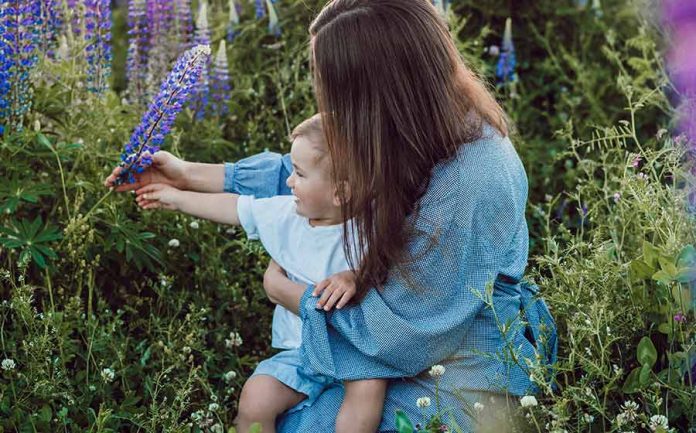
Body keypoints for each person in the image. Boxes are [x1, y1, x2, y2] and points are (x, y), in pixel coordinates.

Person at [106, 1, 557, 431]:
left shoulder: (473, 179)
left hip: (460, 371)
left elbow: (401, 336)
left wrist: (290, 294)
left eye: (335, 90)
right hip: (395, 343)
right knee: (270, 407)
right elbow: (321, 173)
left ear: (382, 91)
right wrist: (188, 175)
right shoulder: (420, 126)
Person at [119, 115, 387, 433]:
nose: (289, 181)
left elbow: (391, 268)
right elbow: (235, 208)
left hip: (353, 348)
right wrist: (175, 198)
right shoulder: (286, 214)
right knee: (255, 399)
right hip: (300, 352)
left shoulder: (371, 227)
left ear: (340, 194)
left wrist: (355, 276)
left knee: (368, 389)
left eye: (299, 173)